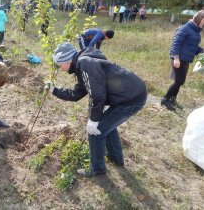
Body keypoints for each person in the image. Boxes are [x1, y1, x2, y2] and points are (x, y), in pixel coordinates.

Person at [45, 42, 147, 177]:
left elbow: (97, 95)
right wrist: (55, 90)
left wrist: (93, 120)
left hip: (130, 99)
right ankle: (116, 158)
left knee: (95, 131)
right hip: (128, 95)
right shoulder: (82, 64)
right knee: (107, 126)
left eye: (60, 64)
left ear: (67, 60)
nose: (60, 68)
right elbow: (77, 94)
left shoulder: (85, 63)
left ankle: (97, 169)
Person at [161, 10, 204, 111]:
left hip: (185, 59)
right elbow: (176, 43)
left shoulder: (195, 31)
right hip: (178, 58)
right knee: (178, 81)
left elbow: (193, 47)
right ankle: (165, 99)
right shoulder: (185, 28)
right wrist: (176, 58)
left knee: (180, 81)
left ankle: (172, 99)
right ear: (198, 18)